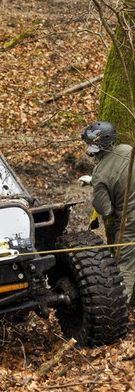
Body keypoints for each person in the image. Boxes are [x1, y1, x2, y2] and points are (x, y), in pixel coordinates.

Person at [80, 121, 135, 306]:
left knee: (125, 268)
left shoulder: (100, 173)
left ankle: (120, 312)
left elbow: (105, 209)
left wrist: (96, 183)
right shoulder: (128, 149)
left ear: (95, 147)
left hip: (129, 224)